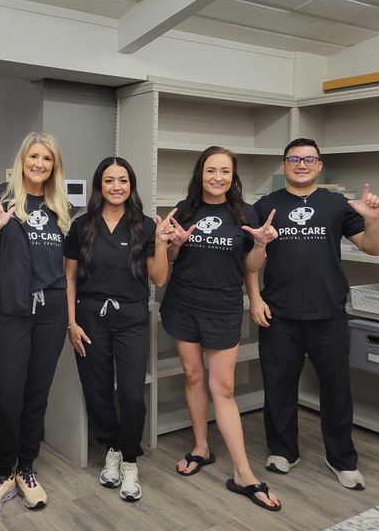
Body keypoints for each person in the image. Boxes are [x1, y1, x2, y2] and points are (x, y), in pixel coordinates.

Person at [245, 137, 379, 491]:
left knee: (337, 389)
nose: (302, 165)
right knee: (278, 387)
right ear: (283, 165)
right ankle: (282, 450)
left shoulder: (337, 204)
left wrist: (372, 221)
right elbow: (250, 263)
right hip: (279, 314)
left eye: (309, 159)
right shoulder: (265, 205)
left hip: (328, 313)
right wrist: (256, 297)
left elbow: (373, 248)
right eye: (294, 159)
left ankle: (342, 459)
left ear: (320, 165)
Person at [161, 146, 282, 511]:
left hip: (224, 308)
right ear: (201, 173)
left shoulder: (246, 213)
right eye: (211, 170)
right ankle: (201, 448)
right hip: (183, 304)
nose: (217, 177)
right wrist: (174, 246)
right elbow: (169, 259)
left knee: (224, 387)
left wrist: (260, 243)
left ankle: (244, 473)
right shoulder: (184, 209)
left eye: (224, 171)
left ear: (233, 176)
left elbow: (251, 265)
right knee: (193, 375)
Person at [0, 132, 72, 515]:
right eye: (34, 157)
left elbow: (70, 265)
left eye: (47, 159)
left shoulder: (62, 206)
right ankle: (2, 473)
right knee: (5, 395)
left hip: (50, 313)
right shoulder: (1, 198)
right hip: (9, 313)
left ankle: (26, 469)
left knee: (35, 396)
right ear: (22, 159)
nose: (40, 164)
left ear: (53, 165)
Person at [64, 157, 175, 502]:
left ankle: (129, 460)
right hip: (89, 316)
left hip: (130, 318)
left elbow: (158, 279)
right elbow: (68, 278)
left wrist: (165, 244)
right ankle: (112, 449)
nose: (116, 186)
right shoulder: (81, 226)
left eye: (123, 180)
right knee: (96, 391)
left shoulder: (145, 225)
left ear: (131, 185)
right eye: (109, 180)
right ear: (100, 185)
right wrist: (71, 323)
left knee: (129, 395)